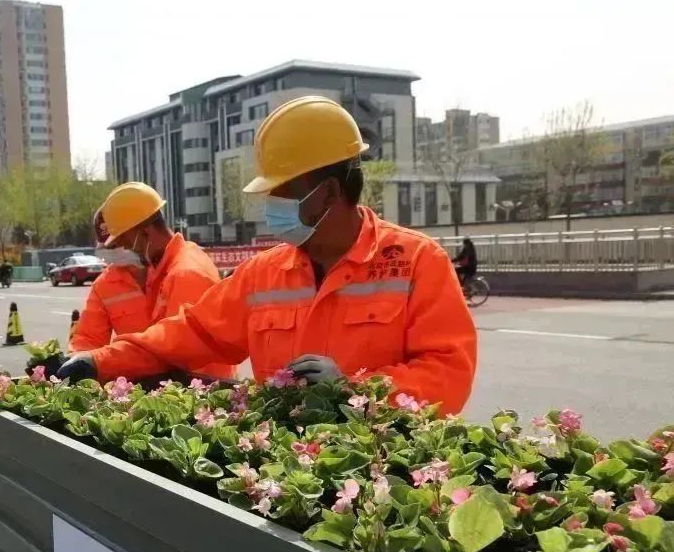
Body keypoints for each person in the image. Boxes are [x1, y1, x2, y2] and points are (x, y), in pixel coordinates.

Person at [57, 96, 477, 414]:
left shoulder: (417, 262)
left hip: (376, 480)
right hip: (283, 476)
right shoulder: (264, 273)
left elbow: (448, 373)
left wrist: (355, 391)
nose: (269, 205)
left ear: (328, 192)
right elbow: (186, 335)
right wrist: (98, 361)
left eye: (280, 192)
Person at [93, 181, 235, 381]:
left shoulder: (185, 273)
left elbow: (170, 351)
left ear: (145, 232)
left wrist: (97, 362)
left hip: (202, 390)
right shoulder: (163, 267)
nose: (128, 250)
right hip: (187, 386)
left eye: (126, 242)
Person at [68, 209, 150, 352]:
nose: (116, 252)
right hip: (137, 364)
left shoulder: (171, 267)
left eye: (118, 243)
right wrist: (77, 359)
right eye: (110, 247)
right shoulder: (104, 286)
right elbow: (89, 340)